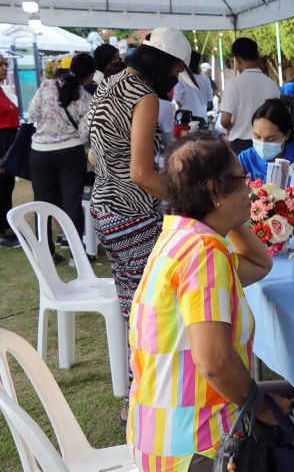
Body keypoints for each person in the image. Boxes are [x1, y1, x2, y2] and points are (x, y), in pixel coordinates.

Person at [127, 137, 291, 471]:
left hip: (159, 430)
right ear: (215, 189)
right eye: (242, 179)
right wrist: (262, 409)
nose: (251, 188)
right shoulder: (203, 252)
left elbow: (259, 266)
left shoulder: (178, 236)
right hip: (194, 448)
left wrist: (230, 216)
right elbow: (215, 362)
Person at [87, 26, 199, 423]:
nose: (174, 82)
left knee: (131, 304)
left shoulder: (109, 84)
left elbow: (95, 157)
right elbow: (140, 172)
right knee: (151, 310)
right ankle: (142, 401)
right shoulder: (145, 95)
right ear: (167, 66)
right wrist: (188, 195)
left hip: (104, 211)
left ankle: (138, 392)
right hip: (132, 214)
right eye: (175, 73)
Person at [27, 53, 95, 261]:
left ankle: (45, 254)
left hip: (40, 152)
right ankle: (77, 255)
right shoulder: (87, 99)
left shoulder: (47, 86)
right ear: (91, 76)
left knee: (42, 204)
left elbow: (32, 115)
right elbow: (84, 134)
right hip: (71, 153)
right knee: (72, 203)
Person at [238, 99, 294, 199]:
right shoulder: (245, 159)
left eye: (271, 138)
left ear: (286, 135)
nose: (263, 143)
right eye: (257, 136)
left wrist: (277, 197)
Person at [219, 37, 280, 154]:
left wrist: (235, 127)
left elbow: (225, 121)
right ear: (257, 58)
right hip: (266, 147)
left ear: (238, 60)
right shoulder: (272, 84)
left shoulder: (233, 83)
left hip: (240, 146)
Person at [0, 54, 20, 248]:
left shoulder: (2, 90)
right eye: (1, 65)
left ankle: (6, 228)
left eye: (5, 64)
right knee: (2, 190)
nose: (5, 68)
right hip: (2, 145)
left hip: (9, 144)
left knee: (6, 188)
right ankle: (4, 231)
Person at [173, 51, 214, 123]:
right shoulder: (205, 79)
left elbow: (177, 98)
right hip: (203, 117)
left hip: (187, 117)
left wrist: (181, 107)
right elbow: (210, 100)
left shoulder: (181, 78)